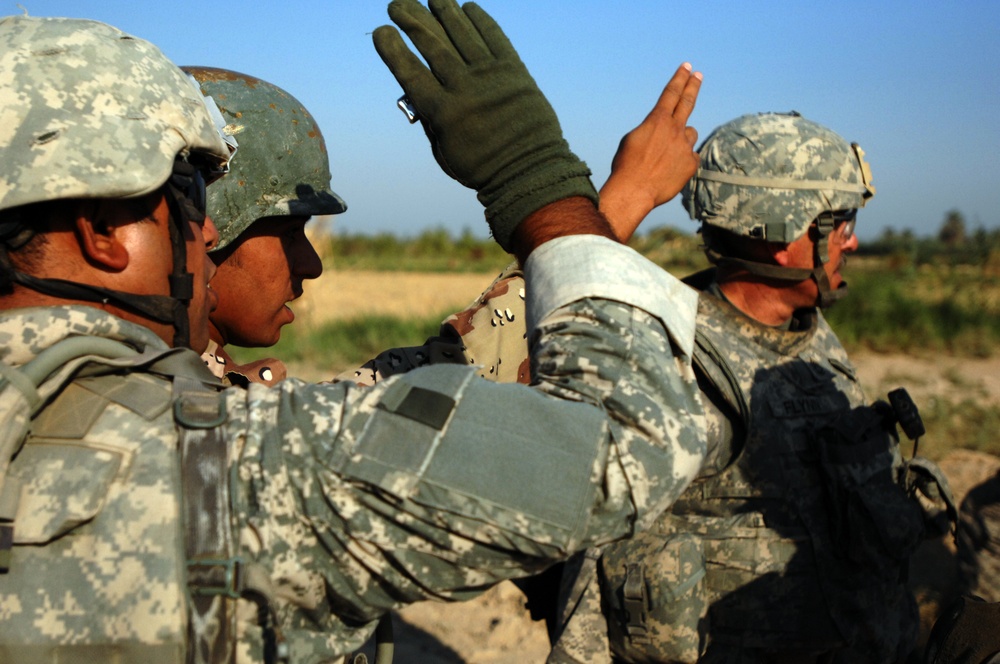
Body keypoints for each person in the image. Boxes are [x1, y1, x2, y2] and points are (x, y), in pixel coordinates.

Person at [0, 3, 709, 662]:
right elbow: (623, 446)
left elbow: (437, 371)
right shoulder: (239, 469)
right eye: (188, 199)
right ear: (99, 231)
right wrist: (537, 181)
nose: (206, 225)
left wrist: (622, 200)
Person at [346, 111, 956, 663]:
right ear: (776, 226)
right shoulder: (673, 357)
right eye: (839, 221)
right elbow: (599, 581)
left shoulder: (814, 341)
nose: (851, 239)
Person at [182, 66, 346, 387]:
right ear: (204, 229)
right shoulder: (174, 398)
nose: (312, 265)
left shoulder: (207, 386)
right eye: (288, 234)